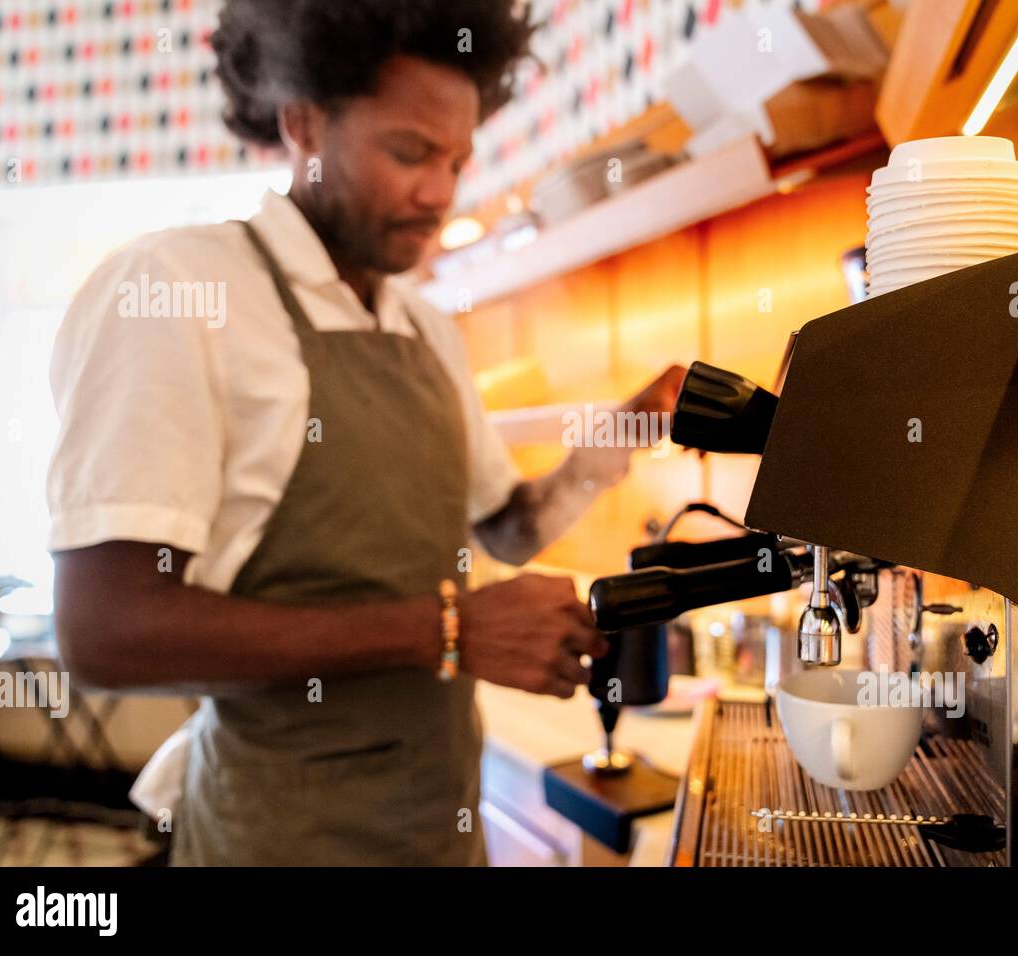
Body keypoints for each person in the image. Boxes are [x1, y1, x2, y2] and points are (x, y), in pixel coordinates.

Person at [47, 0, 685, 866]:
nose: (440, 192)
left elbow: (506, 528)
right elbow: (108, 632)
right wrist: (450, 630)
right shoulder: (180, 291)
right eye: (409, 152)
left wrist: (625, 433)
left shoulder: (424, 328)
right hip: (281, 836)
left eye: (458, 159)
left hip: (434, 820)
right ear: (304, 122)